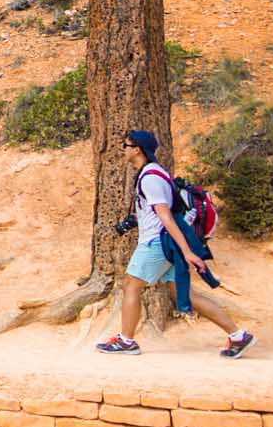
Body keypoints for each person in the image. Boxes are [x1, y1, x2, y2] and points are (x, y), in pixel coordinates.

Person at [97, 130, 255, 358]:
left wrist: (188, 252)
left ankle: (126, 341)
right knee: (183, 293)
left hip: (157, 244)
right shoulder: (156, 173)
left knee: (131, 285)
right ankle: (238, 336)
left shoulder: (150, 177)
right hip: (167, 243)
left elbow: (166, 217)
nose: (123, 148)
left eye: (126, 144)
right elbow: (160, 211)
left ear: (137, 149)